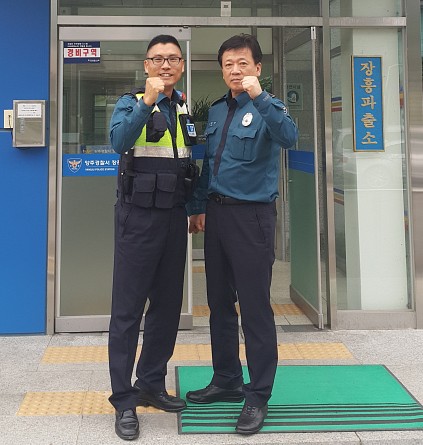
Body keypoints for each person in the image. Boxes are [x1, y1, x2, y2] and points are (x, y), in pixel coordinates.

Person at [186, 34, 298, 435]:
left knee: (254, 308)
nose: (235, 70)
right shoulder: (218, 111)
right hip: (216, 215)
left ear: (257, 68)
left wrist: (260, 97)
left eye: (242, 63)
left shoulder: (269, 107)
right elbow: (209, 165)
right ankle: (227, 379)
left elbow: (289, 138)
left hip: (252, 218)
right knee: (219, 303)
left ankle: (258, 394)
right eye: (228, 64)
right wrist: (197, 206)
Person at [108, 34, 198, 441]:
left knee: (167, 306)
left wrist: (195, 207)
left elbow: (188, 162)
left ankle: (151, 383)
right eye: (158, 59)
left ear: (182, 65)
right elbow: (119, 142)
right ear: (146, 65)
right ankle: (124, 401)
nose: (165, 65)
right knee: (127, 311)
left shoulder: (183, 107)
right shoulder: (130, 103)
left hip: (174, 217)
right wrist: (147, 102)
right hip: (138, 218)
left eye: (173, 59)